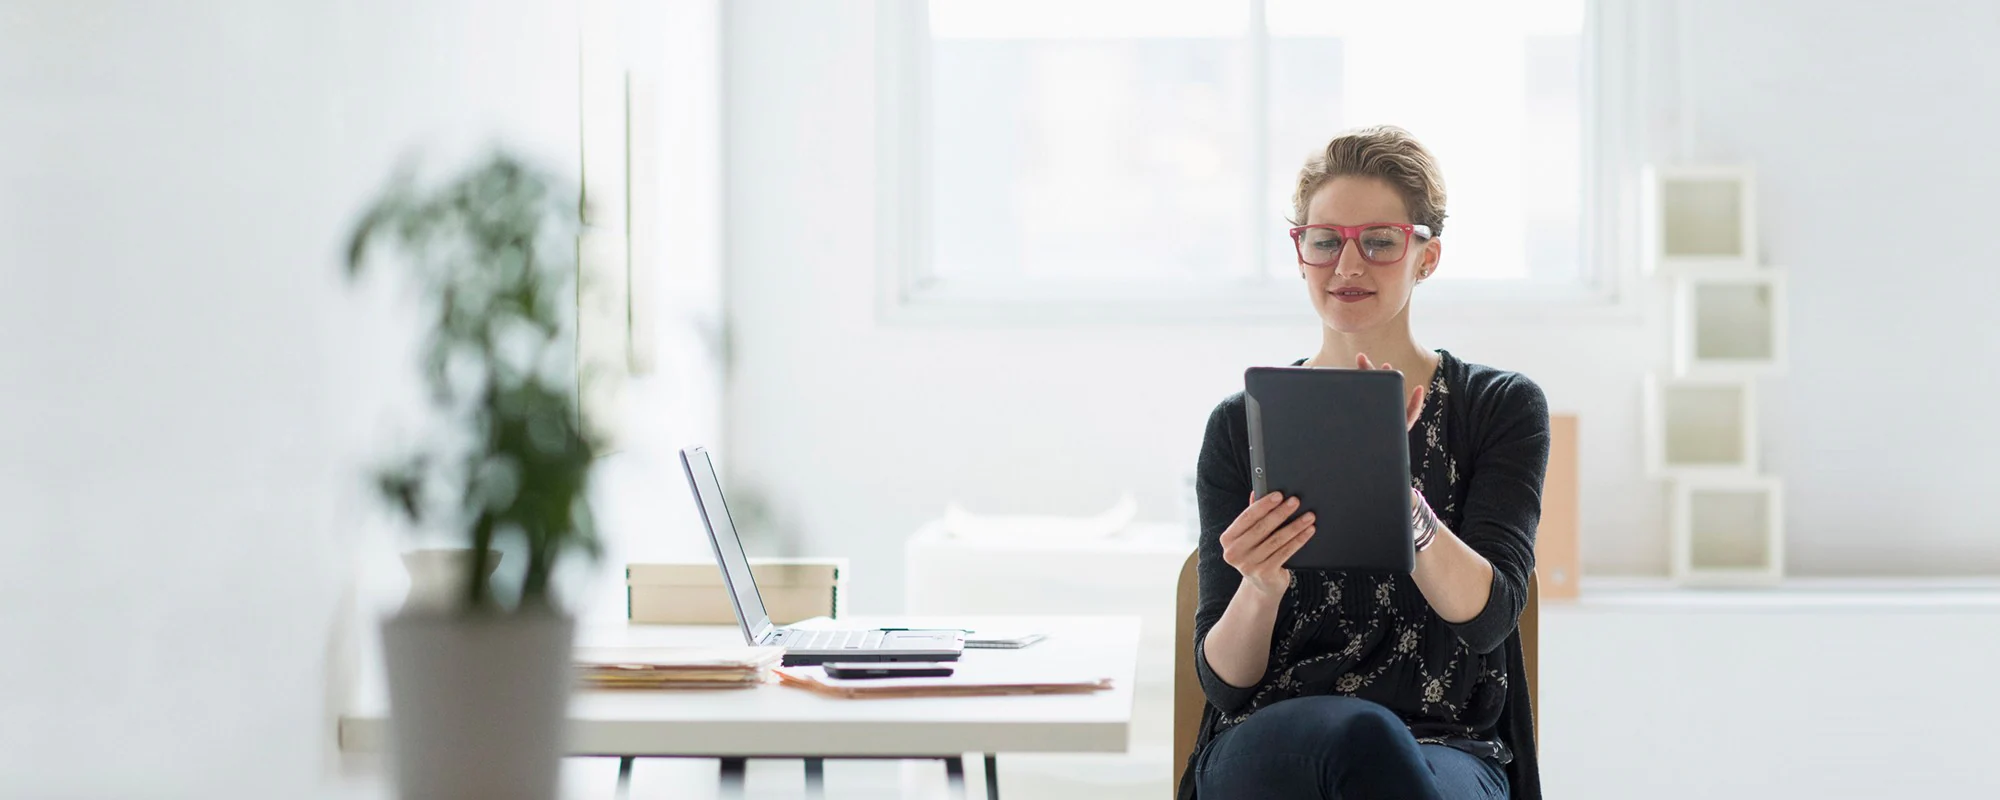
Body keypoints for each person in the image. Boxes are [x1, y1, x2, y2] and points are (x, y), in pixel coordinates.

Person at [1181, 125, 1548, 800]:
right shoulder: (1241, 424)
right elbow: (1226, 681)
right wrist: (1259, 587)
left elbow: (1489, 618)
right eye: (1325, 242)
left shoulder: (1497, 408)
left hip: (1450, 747)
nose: (1348, 266)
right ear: (1300, 254)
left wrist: (1399, 500)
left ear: (1426, 256)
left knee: (1378, 749)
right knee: (1359, 737)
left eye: (1378, 242)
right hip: (1272, 736)